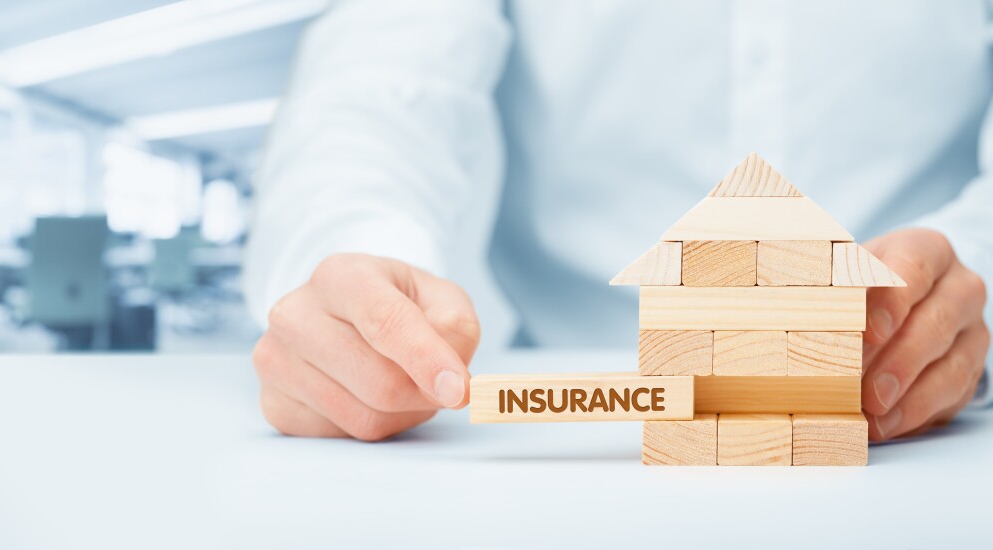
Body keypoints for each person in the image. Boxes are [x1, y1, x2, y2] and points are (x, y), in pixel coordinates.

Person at [245, 0, 992, 442]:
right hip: (553, 432)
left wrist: (971, 279)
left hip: (921, 427)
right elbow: (378, 85)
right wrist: (357, 265)